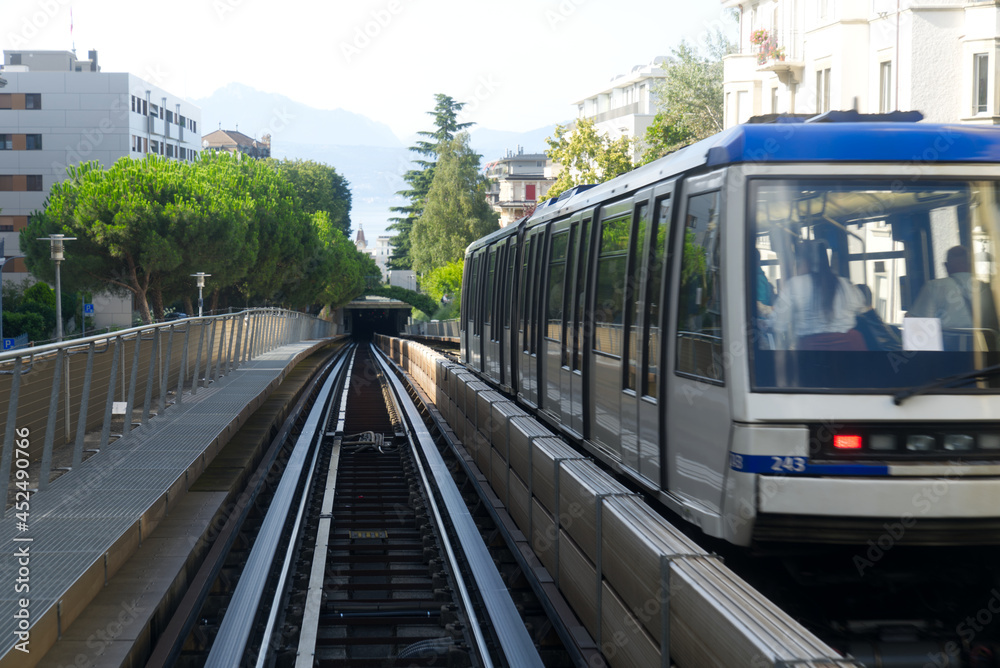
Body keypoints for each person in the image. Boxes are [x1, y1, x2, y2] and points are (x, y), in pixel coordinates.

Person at [772, 240, 867, 350]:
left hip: (814, 351)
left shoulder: (795, 285)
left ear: (804, 261)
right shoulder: (845, 284)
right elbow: (861, 308)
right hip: (850, 346)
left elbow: (778, 323)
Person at [907, 245, 998, 331]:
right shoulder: (987, 288)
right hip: (983, 345)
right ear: (971, 265)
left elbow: (918, 324)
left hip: (948, 345)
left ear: (946, 266)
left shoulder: (934, 286)